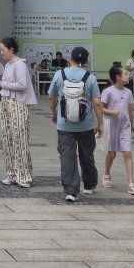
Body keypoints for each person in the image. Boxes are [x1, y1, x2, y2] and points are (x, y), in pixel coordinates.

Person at [49, 46, 100, 203]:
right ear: (85, 61)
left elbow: (51, 97)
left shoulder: (59, 75)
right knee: (87, 155)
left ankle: (71, 191)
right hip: (86, 125)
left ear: (70, 58)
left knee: (67, 155)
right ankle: (89, 185)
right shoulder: (90, 78)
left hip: (64, 125)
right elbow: (97, 103)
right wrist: (101, 123)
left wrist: (54, 112)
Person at [0, 36, 36, 188]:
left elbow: (22, 85)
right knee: (8, 138)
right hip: (6, 102)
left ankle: (24, 176)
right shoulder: (9, 64)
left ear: (11, 49)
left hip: (18, 104)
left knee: (20, 139)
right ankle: (12, 174)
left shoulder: (20, 64)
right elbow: (6, 84)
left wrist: (0, 82)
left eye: (3, 50)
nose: (1, 52)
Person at [97, 62, 134, 195]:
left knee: (127, 153)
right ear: (118, 77)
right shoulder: (108, 91)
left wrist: (131, 124)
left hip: (124, 126)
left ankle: (131, 183)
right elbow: (101, 108)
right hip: (111, 125)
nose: (128, 75)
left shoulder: (128, 92)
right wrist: (110, 112)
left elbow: (130, 110)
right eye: (125, 74)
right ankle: (106, 175)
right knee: (112, 153)